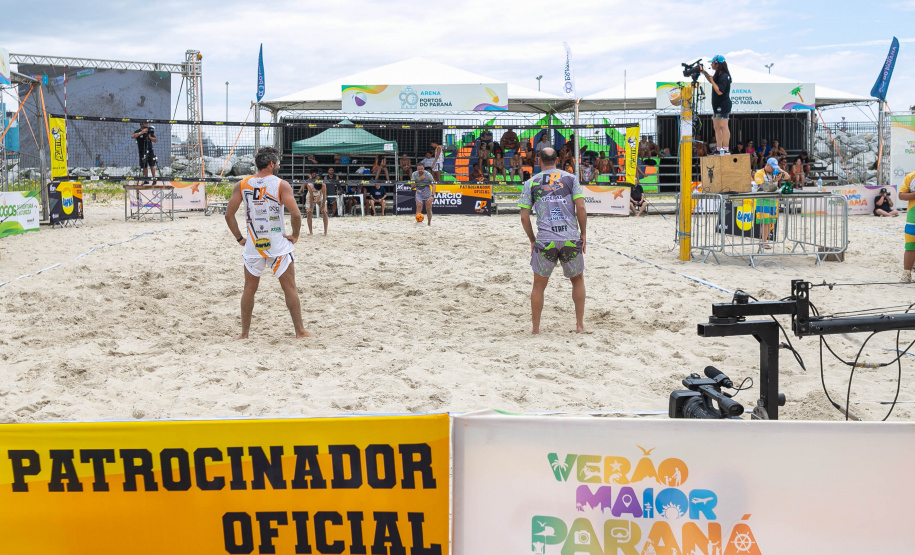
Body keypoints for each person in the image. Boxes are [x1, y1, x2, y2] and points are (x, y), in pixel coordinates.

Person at [224, 146, 310, 339]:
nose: (278, 165)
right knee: (289, 288)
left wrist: (239, 238)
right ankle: (300, 331)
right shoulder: (280, 184)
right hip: (277, 245)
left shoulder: (242, 184)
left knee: (249, 289)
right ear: (271, 164)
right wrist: (295, 235)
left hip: (254, 244)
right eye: (277, 162)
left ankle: (244, 333)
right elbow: (296, 214)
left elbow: (228, 215)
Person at [519, 147, 587, 334]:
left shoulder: (531, 182)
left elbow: (524, 217)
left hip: (545, 239)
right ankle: (579, 326)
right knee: (578, 280)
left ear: (539, 161)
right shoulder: (571, 179)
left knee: (538, 287)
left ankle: (535, 329)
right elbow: (581, 207)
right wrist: (583, 234)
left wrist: (532, 240)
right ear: (557, 160)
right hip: (569, 238)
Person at [700, 55, 732, 155]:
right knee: (716, 127)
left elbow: (719, 91)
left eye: (712, 63)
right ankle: (719, 149)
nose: (711, 64)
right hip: (716, 105)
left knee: (723, 126)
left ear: (717, 64)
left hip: (723, 104)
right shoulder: (718, 74)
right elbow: (712, 81)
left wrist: (713, 81)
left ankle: (726, 148)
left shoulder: (724, 76)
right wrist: (705, 73)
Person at [753, 157, 788, 248]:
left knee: (770, 222)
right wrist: (773, 181)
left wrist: (779, 169)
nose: (773, 169)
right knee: (765, 222)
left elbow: (788, 177)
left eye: (774, 167)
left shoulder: (775, 171)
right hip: (763, 199)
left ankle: (765, 241)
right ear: (767, 165)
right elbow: (761, 187)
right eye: (772, 167)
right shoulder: (759, 173)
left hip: (773, 200)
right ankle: (764, 242)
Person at [900, 170, 915, 283]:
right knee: (910, 245)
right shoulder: (911, 176)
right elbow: (901, 195)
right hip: (912, 217)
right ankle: (907, 273)